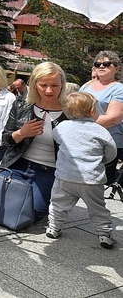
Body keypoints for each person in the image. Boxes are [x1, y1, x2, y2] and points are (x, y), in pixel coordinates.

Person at [46, 92, 117, 249]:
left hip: (64, 177)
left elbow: (56, 140)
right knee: (97, 208)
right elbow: (112, 152)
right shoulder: (100, 130)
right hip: (91, 179)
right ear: (92, 111)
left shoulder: (61, 127)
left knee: (58, 204)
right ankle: (104, 235)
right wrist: (100, 161)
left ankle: (54, 228)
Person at [1, 61, 68, 221]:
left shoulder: (70, 112)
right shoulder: (21, 106)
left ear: (62, 85)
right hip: (17, 165)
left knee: (32, 212)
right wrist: (21, 133)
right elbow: (5, 139)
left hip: (49, 171)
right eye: (43, 84)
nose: (49, 90)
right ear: (35, 84)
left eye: (55, 85)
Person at [80, 51, 123, 186]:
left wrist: (81, 125)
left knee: (96, 186)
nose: (101, 66)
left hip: (106, 144)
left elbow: (113, 118)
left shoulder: (118, 89)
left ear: (117, 68)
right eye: (98, 64)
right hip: (81, 140)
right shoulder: (86, 86)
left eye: (106, 64)